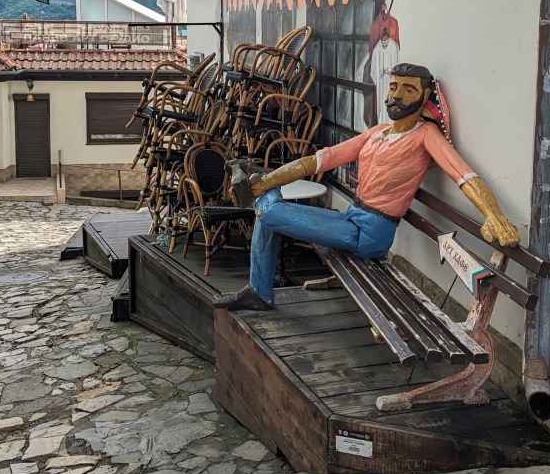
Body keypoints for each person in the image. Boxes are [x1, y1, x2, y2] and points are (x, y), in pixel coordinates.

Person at [215, 63, 520, 312]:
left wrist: (494, 216)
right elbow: (320, 160)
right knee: (266, 204)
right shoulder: (377, 132)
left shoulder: (425, 135)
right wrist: (267, 181)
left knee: (267, 212)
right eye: (393, 86)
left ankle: (259, 280)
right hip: (351, 218)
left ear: (425, 96)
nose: (396, 96)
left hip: (370, 234)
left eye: (408, 89)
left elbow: (465, 175)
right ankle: (259, 291)